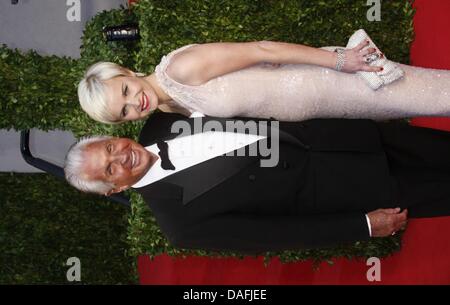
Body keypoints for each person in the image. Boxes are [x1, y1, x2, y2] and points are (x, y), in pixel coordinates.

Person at [64, 112, 450, 254]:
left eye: (111, 147)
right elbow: (275, 235)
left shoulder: (162, 117)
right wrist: (362, 226)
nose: (121, 157)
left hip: (341, 137)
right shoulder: (179, 225)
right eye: (110, 169)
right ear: (115, 189)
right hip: (345, 189)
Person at [77, 40, 450, 124]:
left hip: (332, 80)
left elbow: (262, 49)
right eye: (123, 112)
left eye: (125, 91)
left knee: (436, 96)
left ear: (125, 71)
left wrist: (340, 60)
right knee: (425, 103)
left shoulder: (179, 70)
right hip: (332, 109)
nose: (134, 103)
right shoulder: (171, 103)